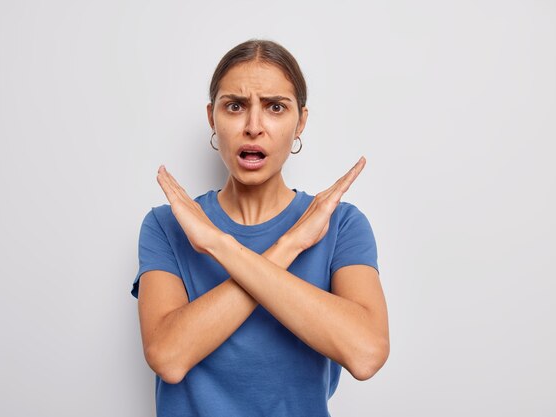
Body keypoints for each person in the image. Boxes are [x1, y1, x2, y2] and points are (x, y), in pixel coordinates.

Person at [131, 39, 389, 417]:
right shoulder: (167, 224)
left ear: (300, 121)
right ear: (212, 118)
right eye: (235, 106)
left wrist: (219, 246)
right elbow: (169, 357)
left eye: (275, 107)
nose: (254, 127)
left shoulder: (342, 224)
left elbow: (366, 354)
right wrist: (289, 246)